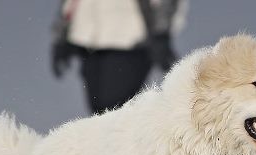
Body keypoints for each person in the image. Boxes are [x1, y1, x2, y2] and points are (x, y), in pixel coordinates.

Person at [51, 0, 187, 115]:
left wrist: (160, 32)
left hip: (130, 40)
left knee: (114, 112)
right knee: (99, 113)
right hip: (88, 40)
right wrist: (63, 34)